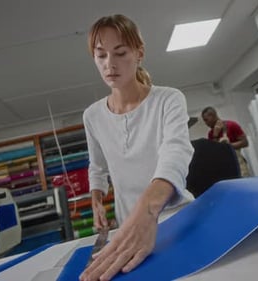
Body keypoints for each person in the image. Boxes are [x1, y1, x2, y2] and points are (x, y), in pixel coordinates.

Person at [80, 14, 194, 281]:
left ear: (139, 53)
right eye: (101, 56)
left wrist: (149, 208)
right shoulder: (92, 116)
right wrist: (96, 198)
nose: (110, 64)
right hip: (128, 228)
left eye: (120, 53)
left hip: (176, 218)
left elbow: (175, 152)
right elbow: (97, 166)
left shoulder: (168, 99)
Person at [201, 106, 250, 177]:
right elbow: (213, 152)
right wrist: (215, 135)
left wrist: (227, 146)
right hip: (225, 166)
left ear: (213, 115)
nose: (206, 123)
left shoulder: (232, 125)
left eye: (206, 120)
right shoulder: (211, 134)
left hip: (238, 164)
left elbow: (245, 143)